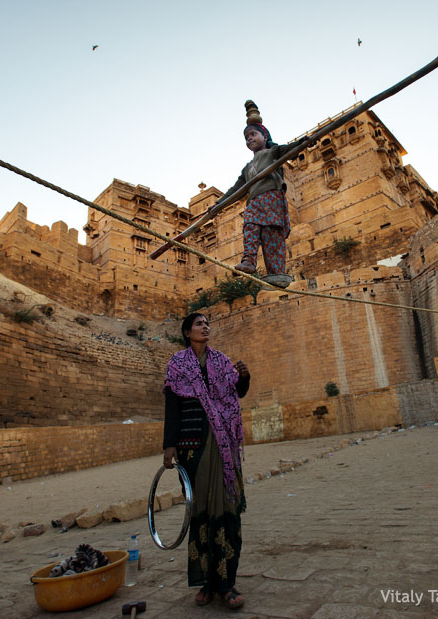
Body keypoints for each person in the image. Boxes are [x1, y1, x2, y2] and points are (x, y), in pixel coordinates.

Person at [162, 312, 250, 609]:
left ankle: (226, 583)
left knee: (226, 510)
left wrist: (245, 377)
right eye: (199, 324)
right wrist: (169, 445)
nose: (206, 327)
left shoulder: (222, 361)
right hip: (192, 447)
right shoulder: (177, 365)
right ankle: (206, 583)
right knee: (200, 511)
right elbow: (172, 404)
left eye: (207, 324)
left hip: (223, 447)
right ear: (187, 332)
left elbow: (235, 394)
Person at [220, 100, 306, 288]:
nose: (249, 139)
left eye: (253, 134)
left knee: (272, 236)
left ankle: (276, 273)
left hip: (273, 200)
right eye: (246, 137)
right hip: (255, 202)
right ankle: (249, 261)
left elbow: (289, 149)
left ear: (264, 136)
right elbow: (235, 190)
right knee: (250, 225)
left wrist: (303, 143)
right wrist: (219, 204)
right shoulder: (247, 169)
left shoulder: (273, 152)